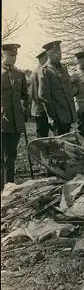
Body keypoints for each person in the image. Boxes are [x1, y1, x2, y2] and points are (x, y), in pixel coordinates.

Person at [1, 43, 29, 191]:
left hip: (16, 122)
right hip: (2, 122)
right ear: (3, 55)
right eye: (10, 55)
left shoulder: (20, 75)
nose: (13, 58)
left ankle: (9, 187)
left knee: (11, 157)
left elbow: (25, 96)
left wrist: (24, 109)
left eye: (15, 56)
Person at [38, 40, 77, 135]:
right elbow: (43, 95)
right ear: (49, 54)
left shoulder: (64, 68)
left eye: (60, 53)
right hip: (57, 114)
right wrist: (52, 115)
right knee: (59, 142)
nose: (60, 56)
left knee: (67, 140)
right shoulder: (45, 70)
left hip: (67, 112)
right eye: (56, 54)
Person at [30, 50, 51, 137]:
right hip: (40, 110)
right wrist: (43, 107)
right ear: (42, 59)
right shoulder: (36, 72)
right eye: (47, 58)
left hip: (45, 109)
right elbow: (35, 94)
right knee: (42, 135)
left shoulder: (44, 70)